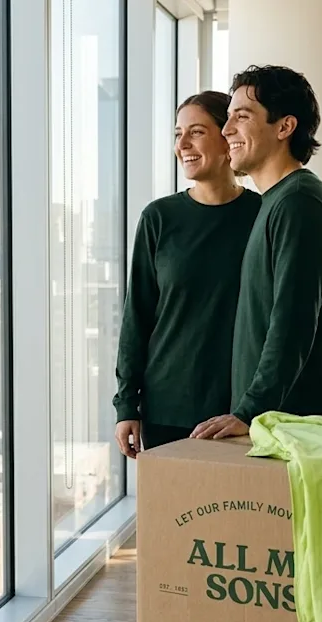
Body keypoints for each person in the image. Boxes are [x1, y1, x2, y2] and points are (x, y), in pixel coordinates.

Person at [192, 65, 322, 440]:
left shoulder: (298, 203)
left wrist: (249, 410)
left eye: (241, 117)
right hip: (278, 429)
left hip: (296, 435)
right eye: (227, 118)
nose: (227, 130)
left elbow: (292, 325)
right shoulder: (276, 202)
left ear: (284, 127)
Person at [113, 91, 263, 456]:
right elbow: (137, 317)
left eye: (196, 131)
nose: (182, 144)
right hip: (168, 407)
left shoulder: (265, 215)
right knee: (171, 514)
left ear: (227, 137)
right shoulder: (159, 218)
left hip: (244, 410)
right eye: (177, 133)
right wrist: (125, 406)